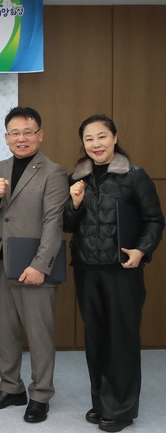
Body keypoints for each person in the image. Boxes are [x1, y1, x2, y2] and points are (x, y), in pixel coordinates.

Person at [63, 115, 163, 432]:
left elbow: (154, 220)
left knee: (122, 339)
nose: (96, 144)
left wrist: (141, 250)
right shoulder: (77, 178)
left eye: (102, 136)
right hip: (86, 269)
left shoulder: (134, 176)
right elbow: (66, 225)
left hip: (122, 271)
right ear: (83, 144)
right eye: (89, 138)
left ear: (115, 138)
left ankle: (121, 409)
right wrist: (74, 203)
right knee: (96, 339)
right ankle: (101, 402)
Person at [0, 107, 68, 423]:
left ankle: (41, 394)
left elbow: (53, 222)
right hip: (0, 262)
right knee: (4, 331)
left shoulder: (54, 172)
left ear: (39, 135)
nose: (21, 138)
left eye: (28, 132)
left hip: (34, 266)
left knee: (39, 333)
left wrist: (41, 265)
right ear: (6, 137)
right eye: (15, 133)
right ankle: (11, 388)